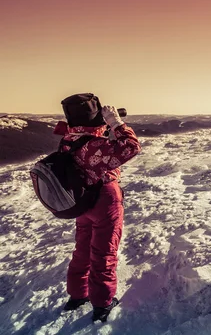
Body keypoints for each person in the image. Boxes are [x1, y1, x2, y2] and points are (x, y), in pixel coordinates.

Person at [54, 93, 141, 322]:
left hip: (82, 200)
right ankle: (102, 304)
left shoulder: (68, 139)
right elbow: (131, 147)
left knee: (82, 249)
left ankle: (77, 295)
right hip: (105, 200)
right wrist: (116, 123)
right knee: (104, 253)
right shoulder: (95, 145)